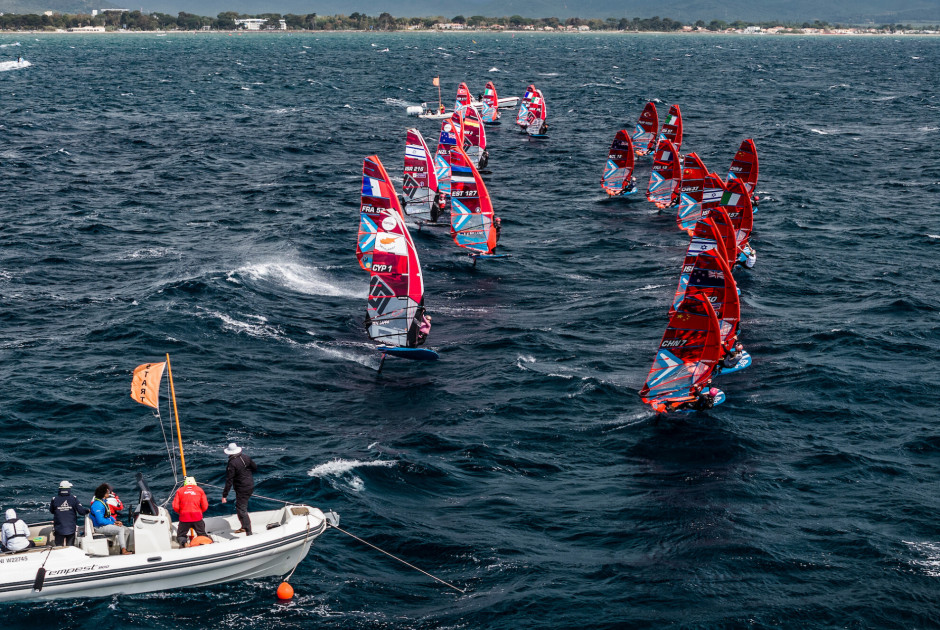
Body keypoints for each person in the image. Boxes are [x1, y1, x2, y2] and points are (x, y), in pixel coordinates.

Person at [222, 443, 257, 535]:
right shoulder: (246, 457)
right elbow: (255, 467)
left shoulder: (232, 463)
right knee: (240, 507)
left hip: (242, 488)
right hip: (250, 485)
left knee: (241, 509)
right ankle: (244, 527)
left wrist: (224, 495)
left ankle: (249, 532)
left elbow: (229, 480)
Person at [90, 483, 131, 555]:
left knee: (126, 529)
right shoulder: (97, 505)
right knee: (120, 529)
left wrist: (116, 521)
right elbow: (100, 521)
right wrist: (113, 523)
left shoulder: (103, 502)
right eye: (107, 491)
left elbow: (108, 516)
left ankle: (124, 549)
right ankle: (123, 550)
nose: (109, 492)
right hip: (98, 527)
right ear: (103, 494)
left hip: (104, 524)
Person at [50, 480, 89, 547]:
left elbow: (52, 511)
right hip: (70, 529)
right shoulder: (74, 499)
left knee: (58, 547)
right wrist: (88, 510)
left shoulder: (54, 499)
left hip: (59, 528)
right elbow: (81, 512)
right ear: (68, 489)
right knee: (70, 547)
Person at [172, 477, 209, 548]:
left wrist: (181, 512)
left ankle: (184, 543)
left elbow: (175, 506)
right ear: (195, 483)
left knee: (181, 535)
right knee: (202, 534)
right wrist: (200, 512)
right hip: (197, 516)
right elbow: (205, 505)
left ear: (185, 483)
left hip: (184, 517)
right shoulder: (199, 490)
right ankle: (203, 544)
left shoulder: (180, 490)